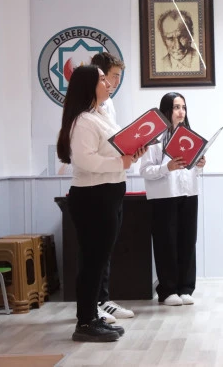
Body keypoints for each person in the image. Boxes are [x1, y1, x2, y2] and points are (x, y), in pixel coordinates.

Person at [56, 65, 145, 342]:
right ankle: (85, 322)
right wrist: (121, 162)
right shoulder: (83, 120)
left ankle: (92, 318)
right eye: (103, 80)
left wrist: (133, 154)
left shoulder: (101, 115)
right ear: (88, 86)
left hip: (110, 192)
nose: (108, 84)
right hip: (93, 196)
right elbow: (85, 160)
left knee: (99, 259)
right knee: (93, 261)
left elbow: (114, 151)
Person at [140, 92, 205, 306]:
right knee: (166, 243)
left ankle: (186, 288)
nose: (181, 112)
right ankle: (168, 291)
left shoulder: (189, 136)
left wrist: (199, 164)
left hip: (188, 193)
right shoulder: (155, 138)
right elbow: (145, 170)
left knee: (188, 241)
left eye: (183, 107)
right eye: (176, 107)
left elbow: (192, 169)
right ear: (166, 110)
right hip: (164, 196)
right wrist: (166, 167)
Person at [89, 51, 133, 323]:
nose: (114, 83)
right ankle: (93, 304)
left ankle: (102, 299)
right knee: (95, 250)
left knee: (106, 247)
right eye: (111, 77)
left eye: (116, 77)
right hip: (97, 184)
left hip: (115, 180)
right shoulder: (86, 110)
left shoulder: (109, 104)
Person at [156, 9, 201, 73]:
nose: (177, 46)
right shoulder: (159, 64)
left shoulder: (200, 60)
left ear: (191, 35)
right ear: (163, 40)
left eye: (182, 37)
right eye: (170, 38)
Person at [91, 52, 125, 124]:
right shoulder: (82, 106)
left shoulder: (108, 102)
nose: (118, 82)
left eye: (119, 77)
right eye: (115, 76)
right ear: (100, 74)